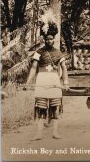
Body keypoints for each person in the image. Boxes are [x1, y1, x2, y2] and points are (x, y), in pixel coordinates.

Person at [25, 11, 69, 140]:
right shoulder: (39, 52)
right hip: (42, 81)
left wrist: (65, 82)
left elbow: (64, 68)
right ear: (44, 39)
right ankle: (39, 133)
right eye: (47, 38)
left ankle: (55, 132)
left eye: (51, 38)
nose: (49, 40)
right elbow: (34, 67)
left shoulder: (58, 53)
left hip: (54, 80)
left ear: (54, 38)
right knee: (42, 108)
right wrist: (28, 82)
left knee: (55, 107)